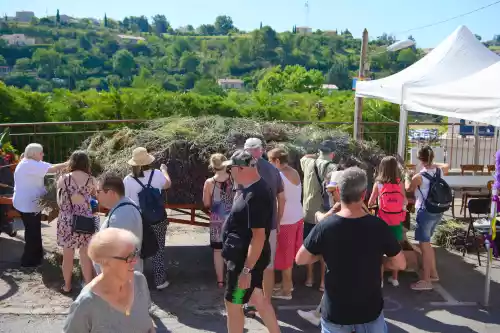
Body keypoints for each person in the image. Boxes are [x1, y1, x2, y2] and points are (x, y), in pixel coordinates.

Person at [296, 167, 406, 333]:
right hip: (369, 311)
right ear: (364, 195)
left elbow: (301, 259)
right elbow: (400, 263)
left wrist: (323, 253)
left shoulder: (325, 227)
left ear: (339, 192)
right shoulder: (378, 227)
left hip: (336, 312)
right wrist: (381, 261)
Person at [221, 150, 280, 333]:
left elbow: (259, 236)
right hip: (246, 259)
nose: (229, 173)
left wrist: (246, 270)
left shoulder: (256, 195)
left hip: (244, 264)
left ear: (240, 168)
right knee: (257, 298)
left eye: (230, 169)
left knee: (234, 304)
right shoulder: (249, 188)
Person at [63, 228, 156, 333]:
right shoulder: (86, 304)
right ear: (106, 262)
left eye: (135, 253)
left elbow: (147, 322)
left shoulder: (139, 281)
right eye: (128, 257)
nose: (135, 261)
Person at [13, 143, 68, 268]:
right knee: (32, 232)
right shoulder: (28, 164)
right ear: (33, 154)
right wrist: (70, 162)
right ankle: (28, 262)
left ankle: (37, 257)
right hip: (27, 204)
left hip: (28, 202)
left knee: (34, 230)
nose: (43, 154)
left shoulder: (32, 163)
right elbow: (52, 169)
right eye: (41, 152)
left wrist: (65, 164)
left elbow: (52, 167)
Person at [244, 138, 285, 306]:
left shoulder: (242, 170)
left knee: (246, 266)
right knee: (268, 265)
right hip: (270, 225)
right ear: (261, 151)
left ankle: (245, 302)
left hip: (248, 227)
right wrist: (278, 220)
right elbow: (282, 198)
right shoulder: (273, 170)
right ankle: (265, 302)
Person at [123, 147, 171, 290]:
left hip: (138, 220)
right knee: (159, 249)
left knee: (137, 250)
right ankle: (160, 281)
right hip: (158, 218)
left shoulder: (128, 180)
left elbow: (126, 199)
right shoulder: (157, 174)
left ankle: (138, 282)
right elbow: (168, 184)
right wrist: (164, 170)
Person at [57, 151, 97, 293]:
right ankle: (88, 286)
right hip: (85, 220)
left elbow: (60, 201)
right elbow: (94, 198)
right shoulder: (92, 180)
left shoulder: (63, 179)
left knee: (67, 256)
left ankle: (67, 286)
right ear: (86, 163)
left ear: (71, 162)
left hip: (67, 220)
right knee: (85, 255)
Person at [300, 140, 338, 291]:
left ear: (320, 152)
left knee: (309, 245)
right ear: (333, 154)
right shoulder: (332, 168)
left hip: (308, 212)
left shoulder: (307, 162)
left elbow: (304, 156)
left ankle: (309, 278)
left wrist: (316, 154)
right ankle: (323, 282)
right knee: (325, 250)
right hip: (324, 213)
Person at [405, 146, 443, 291]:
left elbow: (409, 189)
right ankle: (433, 274)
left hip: (425, 212)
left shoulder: (419, 177)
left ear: (420, 158)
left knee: (425, 245)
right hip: (437, 211)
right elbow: (446, 166)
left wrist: (408, 176)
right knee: (427, 244)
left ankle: (426, 280)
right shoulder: (439, 170)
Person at [267, 147, 303, 300]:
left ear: (276, 161)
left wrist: (277, 221)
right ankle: (284, 285)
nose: (268, 164)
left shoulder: (278, 175)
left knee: (284, 256)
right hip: (297, 216)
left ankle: (286, 290)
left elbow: (280, 200)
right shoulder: (293, 171)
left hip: (286, 219)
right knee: (288, 255)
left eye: (270, 160)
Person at [368, 156, 407, 288]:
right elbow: (405, 201)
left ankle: (380, 280)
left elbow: (371, 203)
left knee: (379, 251)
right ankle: (395, 278)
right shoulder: (399, 182)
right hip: (396, 221)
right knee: (395, 249)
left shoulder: (378, 184)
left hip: (382, 222)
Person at [95, 174, 143, 273]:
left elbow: (118, 255)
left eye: (98, 191)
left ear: (111, 193)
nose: (96, 195)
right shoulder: (124, 207)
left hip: (119, 281)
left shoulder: (122, 216)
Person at [203, 153, 234, 288]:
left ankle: (220, 281)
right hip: (234, 218)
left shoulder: (210, 183)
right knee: (234, 248)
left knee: (217, 251)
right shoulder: (234, 178)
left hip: (217, 220)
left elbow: (206, 203)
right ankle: (234, 278)